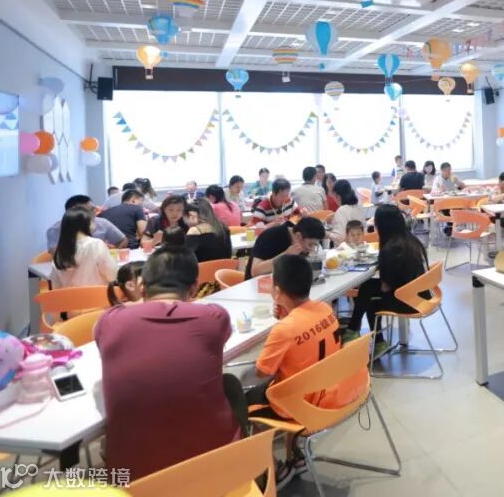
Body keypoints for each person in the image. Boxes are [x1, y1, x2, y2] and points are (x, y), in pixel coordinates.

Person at [95, 246, 240, 480]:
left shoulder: (109, 321)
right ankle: (257, 468)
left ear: (141, 286)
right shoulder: (214, 317)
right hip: (210, 472)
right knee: (231, 385)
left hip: (135, 480)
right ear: (194, 287)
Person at [252, 255, 364, 480]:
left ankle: (275, 469)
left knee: (244, 405)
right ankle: (296, 455)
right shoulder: (325, 309)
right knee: (294, 380)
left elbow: (262, 372)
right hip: (334, 391)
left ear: (277, 290)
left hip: (304, 405)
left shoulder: (285, 330)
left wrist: (284, 324)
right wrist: (286, 317)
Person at [348, 205, 427, 337]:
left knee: (370, 298)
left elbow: (385, 287)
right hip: (421, 295)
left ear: (381, 226)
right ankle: (354, 329)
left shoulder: (389, 249)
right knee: (367, 287)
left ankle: (359, 332)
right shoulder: (411, 240)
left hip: (408, 302)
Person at [50, 208, 118, 290]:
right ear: (86, 224)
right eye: (93, 221)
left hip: (69, 297)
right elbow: (112, 275)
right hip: (98, 296)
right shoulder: (96, 244)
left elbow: (56, 286)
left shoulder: (60, 251)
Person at [246, 216, 326, 278]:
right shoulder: (270, 236)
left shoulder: (303, 234)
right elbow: (255, 271)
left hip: (285, 283)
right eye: (310, 245)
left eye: (315, 245)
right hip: (258, 286)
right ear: (298, 236)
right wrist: (285, 256)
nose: (312, 249)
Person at [47, 195, 127, 250]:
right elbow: (56, 254)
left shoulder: (102, 223)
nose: (95, 212)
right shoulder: (56, 229)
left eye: (94, 208)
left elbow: (123, 240)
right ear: (74, 212)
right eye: (90, 210)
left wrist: (113, 252)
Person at [186, 199, 233, 263]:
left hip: (202, 268)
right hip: (225, 267)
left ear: (191, 215)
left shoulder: (195, 231)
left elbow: (187, 260)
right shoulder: (223, 227)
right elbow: (229, 254)